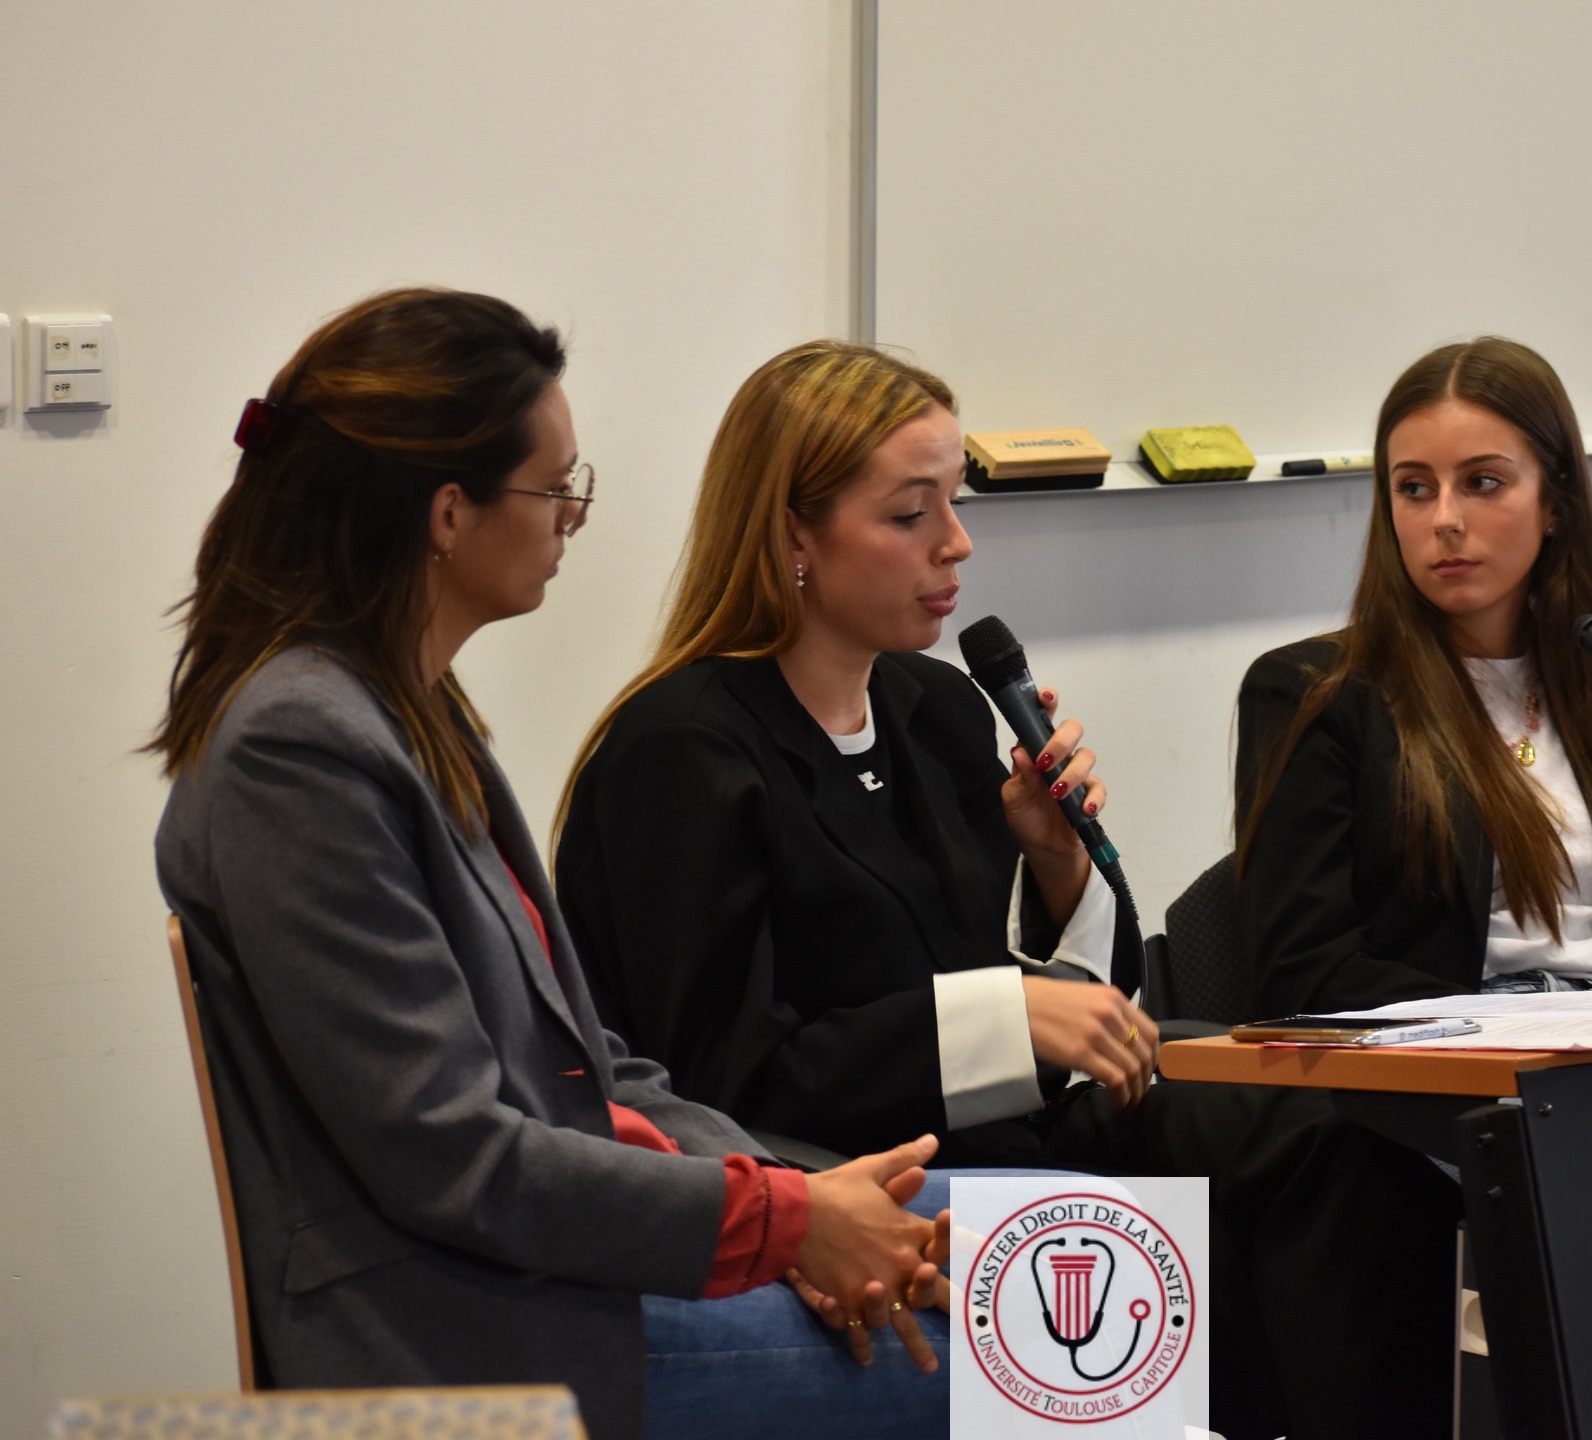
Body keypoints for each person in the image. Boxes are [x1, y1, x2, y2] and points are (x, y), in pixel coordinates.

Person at [554, 339, 1464, 1439]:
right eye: (911, 513)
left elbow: (1068, 1007)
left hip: (1014, 1132)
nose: (957, 542)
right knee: (1173, 1250)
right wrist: (1008, 1016)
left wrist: (1055, 860)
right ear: (793, 535)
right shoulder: (681, 753)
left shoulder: (933, 707)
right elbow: (722, 1077)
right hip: (858, 1175)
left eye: (957, 501)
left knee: (1336, 1135)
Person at [150, 290, 952, 1440]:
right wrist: (783, 1225)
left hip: (556, 1268)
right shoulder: (301, 749)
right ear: (448, 514)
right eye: (554, 485)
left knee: (1089, 1242)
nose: (575, 514)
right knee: (1068, 1335)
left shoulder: (407, 708)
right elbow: (451, 1156)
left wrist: (795, 1203)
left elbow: (589, 1062)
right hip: (463, 1335)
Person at [1235, 336, 1592, 1017]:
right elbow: (1304, 975)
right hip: (1450, 1062)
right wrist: (1532, 1023)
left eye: (1482, 482)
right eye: (1413, 488)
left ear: (1553, 503)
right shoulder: (1316, 693)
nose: (1445, 520)